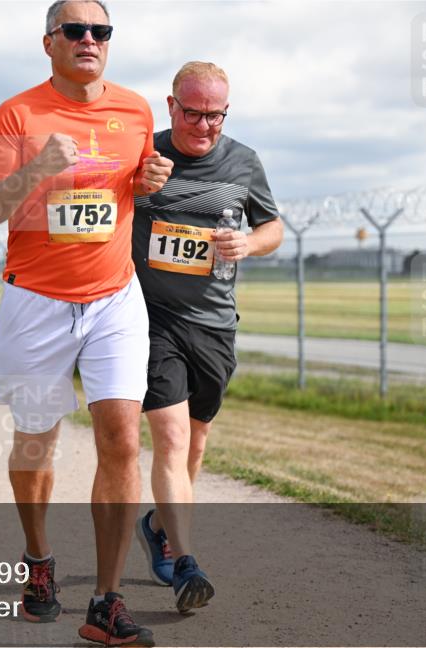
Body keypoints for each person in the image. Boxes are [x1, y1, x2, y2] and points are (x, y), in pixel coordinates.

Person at [0, 0, 172, 648]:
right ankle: (38, 557)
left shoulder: (135, 110)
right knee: (36, 443)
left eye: (100, 31)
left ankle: (107, 601)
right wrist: (35, 169)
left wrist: (150, 179)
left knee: (122, 439)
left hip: (114, 297)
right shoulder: (16, 114)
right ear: (49, 42)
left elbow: (132, 185)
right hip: (36, 301)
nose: (89, 39)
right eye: (75, 30)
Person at [131, 61, 283, 612]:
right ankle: (185, 562)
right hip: (151, 317)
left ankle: (158, 527)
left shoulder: (244, 161)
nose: (203, 125)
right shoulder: (143, 153)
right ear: (170, 106)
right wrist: (132, 182)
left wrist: (249, 244)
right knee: (171, 440)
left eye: (215, 115)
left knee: (195, 445)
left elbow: (272, 226)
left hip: (215, 323)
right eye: (192, 113)